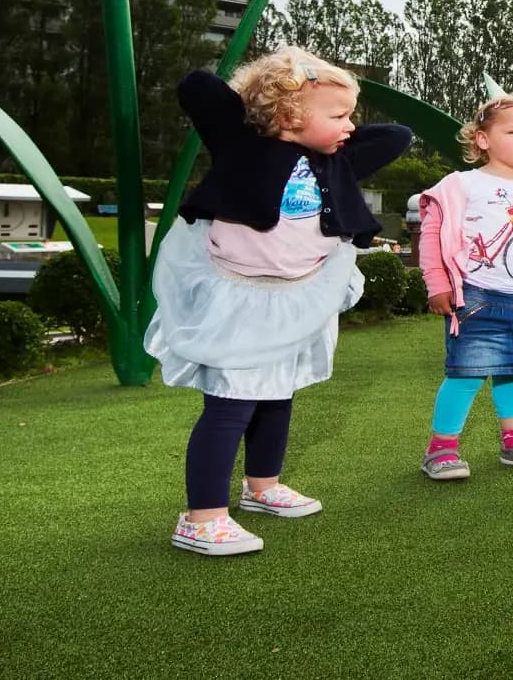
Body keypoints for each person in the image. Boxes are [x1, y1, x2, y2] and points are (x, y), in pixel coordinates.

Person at [148, 47, 412, 556]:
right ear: (289, 115)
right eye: (339, 116)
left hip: (297, 295)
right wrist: (286, 82)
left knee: (278, 393)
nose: (351, 126)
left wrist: (327, 110)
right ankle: (201, 517)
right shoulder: (239, 143)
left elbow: (396, 136)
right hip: (241, 295)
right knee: (232, 403)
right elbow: (197, 86)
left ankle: (262, 487)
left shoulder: (338, 159)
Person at [415, 94, 513, 480]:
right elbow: (432, 235)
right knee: (465, 373)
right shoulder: (461, 185)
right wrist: (437, 283)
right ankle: (440, 450)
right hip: (478, 298)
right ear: (483, 139)